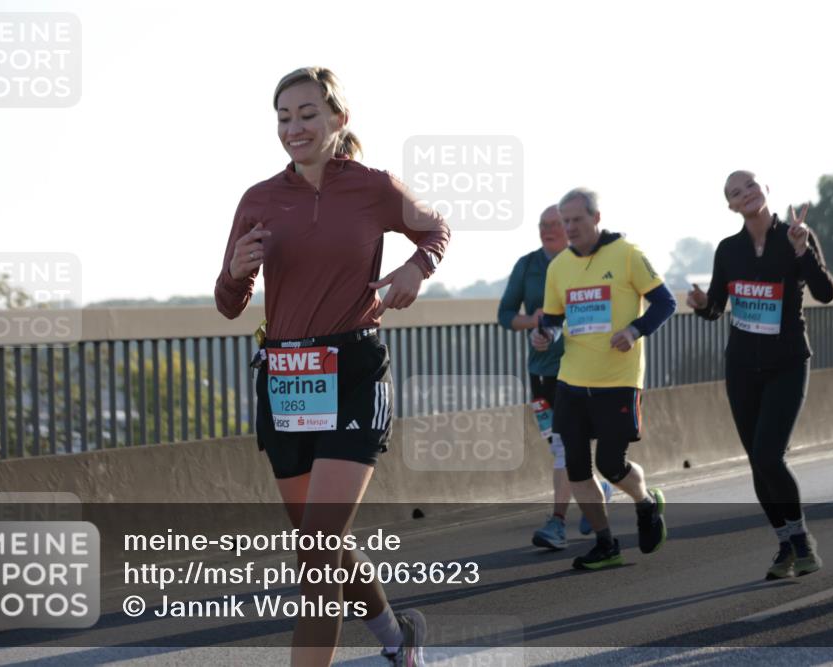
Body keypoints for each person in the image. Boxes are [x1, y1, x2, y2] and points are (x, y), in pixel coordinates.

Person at [214, 67, 449, 667]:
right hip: (287, 378)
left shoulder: (372, 187)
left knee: (317, 551)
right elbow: (227, 303)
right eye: (284, 117)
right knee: (324, 543)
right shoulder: (259, 199)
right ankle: (399, 642)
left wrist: (416, 269)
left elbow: (436, 228)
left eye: (308, 114)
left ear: (339, 119)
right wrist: (238, 271)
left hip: (352, 370)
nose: (294, 127)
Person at [687, 170, 833, 580]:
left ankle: (803, 543)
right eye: (736, 192)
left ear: (765, 190)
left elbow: (825, 292)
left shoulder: (794, 236)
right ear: (731, 206)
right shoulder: (728, 249)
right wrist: (701, 303)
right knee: (757, 462)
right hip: (742, 366)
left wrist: (803, 251)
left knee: (771, 455)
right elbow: (717, 307)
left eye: (751, 185)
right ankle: (785, 544)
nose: (746, 194)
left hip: (788, 362)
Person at [531, 187, 676, 570]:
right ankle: (605, 542)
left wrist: (633, 331)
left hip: (618, 380)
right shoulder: (558, 267)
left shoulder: (628, 255)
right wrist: (542, 334)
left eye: (577, 220)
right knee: (576, 466)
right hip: (572, 381)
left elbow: (666, 303)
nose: (571, 227)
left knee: (611, 464)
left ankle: (646, 503)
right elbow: (552, 319)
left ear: (596, 218)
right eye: (565, 222)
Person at [499, 206, 613, 549]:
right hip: (540, 372)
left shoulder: (585, 263)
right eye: (542, 224)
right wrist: (532, 323)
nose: (547, 230)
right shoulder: (528, 265)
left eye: (555, 224)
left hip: (578, 370)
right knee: (559, 447)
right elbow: (505, 315)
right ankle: (598, 489)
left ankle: (557, 522)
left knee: (566, 448)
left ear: (569, 228)